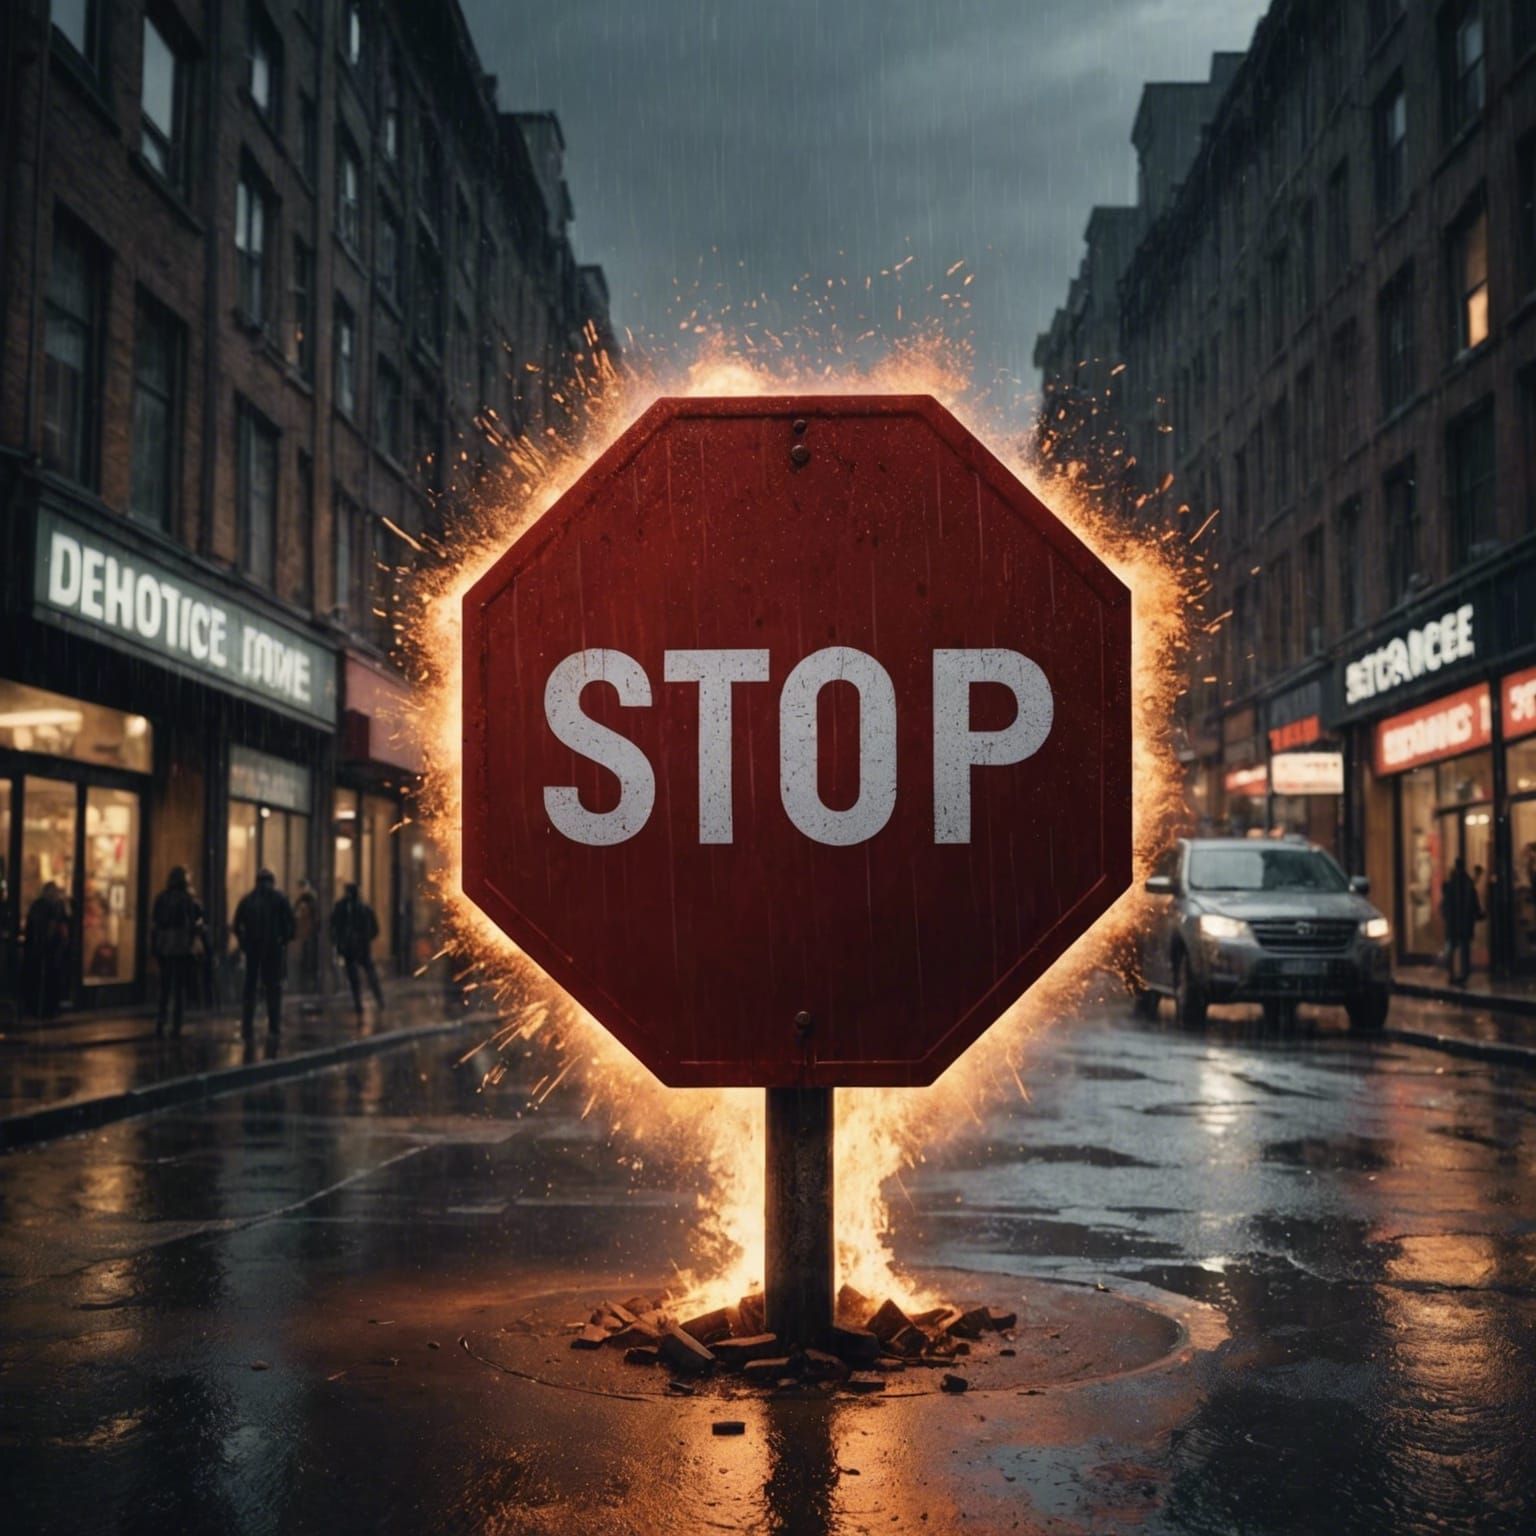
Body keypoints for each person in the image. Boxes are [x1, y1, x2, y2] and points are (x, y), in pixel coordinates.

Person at [233, 868, 295, 1037]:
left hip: (253, 950)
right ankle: (274, 1026)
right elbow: (291, 925)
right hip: (274, 950)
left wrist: (244, 944)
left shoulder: (247, 900)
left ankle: (247, 1025)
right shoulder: (280, 899)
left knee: (250, 987)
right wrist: (283, 940)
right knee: (273, 988)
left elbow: (237, 925)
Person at [150, 866, 203, 1038]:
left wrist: (155, 946)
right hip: (180, 946)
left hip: (164, 946)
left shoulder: (162, 898)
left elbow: (155, 922)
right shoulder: (187, 899)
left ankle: (161, 1021)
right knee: (178, 987)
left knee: (164, 987)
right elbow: (196, 920)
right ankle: (176, 1024)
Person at [330, 882, 384, 1017]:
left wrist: (339, 942)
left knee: (357, 978)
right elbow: (375, 929)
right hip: (359, 947)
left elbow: (333, 927)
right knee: (368, 975)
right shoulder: (363, 908)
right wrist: (364, 938)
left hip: (351, 948)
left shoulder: (343, 907)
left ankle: (361, 1004)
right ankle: (377, 1000)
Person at [22, 882, 70, 1019]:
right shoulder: (51, 907)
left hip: (38, 951)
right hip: (47, 952)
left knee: (40, 980)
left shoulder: (39, 906)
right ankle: (46, 1010)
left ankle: (39, 1008)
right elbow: (54, 929)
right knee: (48, 980)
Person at [1441, 857, 1482, 987]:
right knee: (1464, 948)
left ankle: (1452, 973)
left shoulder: (1451, 883)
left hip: (1454, 922)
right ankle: (1464, 973)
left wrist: (1447, 916)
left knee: (1452, 948)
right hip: (1465, 922)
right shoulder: (1468, 883)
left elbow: (1446, 904)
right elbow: (1474, 904)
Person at [293, 878, 321, 994]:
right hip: (305, 935)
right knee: (306, 960)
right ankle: (307, 985)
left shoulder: (308, 900)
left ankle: (310, 985)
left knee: (309, 960)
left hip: (308, 934)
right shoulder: (303, 901)